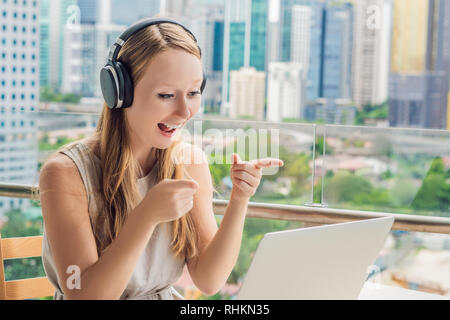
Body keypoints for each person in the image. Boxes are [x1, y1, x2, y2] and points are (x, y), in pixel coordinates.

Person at [39, 17, 283, 300]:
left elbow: (209, 279)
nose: (184, 111)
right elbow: (85, 296)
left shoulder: (189, 162)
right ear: (119, 93)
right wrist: (146, 216)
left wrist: (240, 199)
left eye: (193, 93)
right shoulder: (66, 173)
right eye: (166, 95)